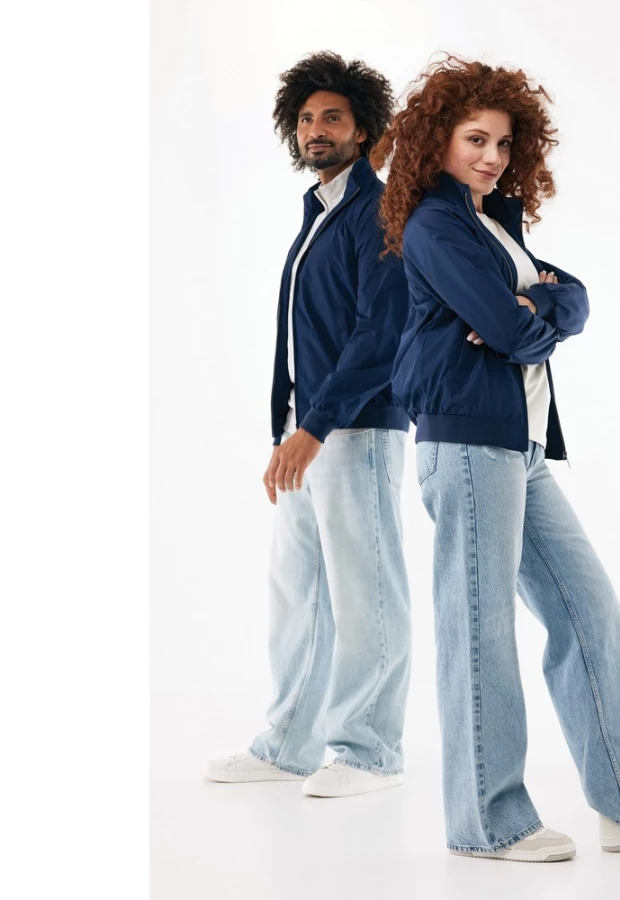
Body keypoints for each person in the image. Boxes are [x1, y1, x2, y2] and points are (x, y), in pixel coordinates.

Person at [370, 55, 620, 861]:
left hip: (518, 444)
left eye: (504, 143)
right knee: (478, 630)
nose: (492, 156)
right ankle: (488, 823)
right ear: (437, 142)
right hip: (466, 442)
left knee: (588, 608)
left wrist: (538, 303)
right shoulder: (436, 225)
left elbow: (570, 299)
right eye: (474, 139)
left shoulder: (494, 225)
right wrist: (525, 313)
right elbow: (513, 331)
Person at [205, 52, 412, 799]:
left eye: (332, 117)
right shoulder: (319, 214)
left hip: (354, 428)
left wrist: (315, 426)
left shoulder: (378, 212)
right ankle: (290, 742)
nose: (315, 129)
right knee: (299, 591)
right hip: (307, 428)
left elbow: (379, 335)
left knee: (367, 588)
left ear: (364, 130)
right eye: (305, 118)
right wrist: (289, 426)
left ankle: (370, 751)